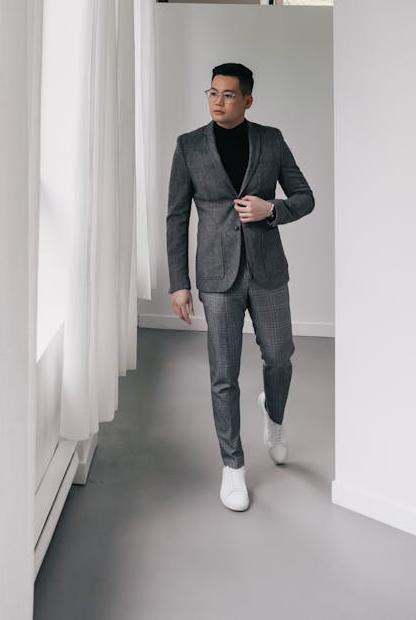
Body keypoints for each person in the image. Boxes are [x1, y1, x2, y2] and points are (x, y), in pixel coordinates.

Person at [166, 62, 315, 512]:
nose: (217, 101)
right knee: (223, 373)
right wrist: (179, 284)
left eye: (229, 95)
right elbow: (177, 216)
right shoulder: (189, 146)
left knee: (280, 356)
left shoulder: (270, 139)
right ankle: (233, 467)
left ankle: (274, 413)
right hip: (216, 276)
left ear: (248, 100)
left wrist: (271, 209)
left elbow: (305, 197)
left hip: (268, 270)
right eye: (212, 92)